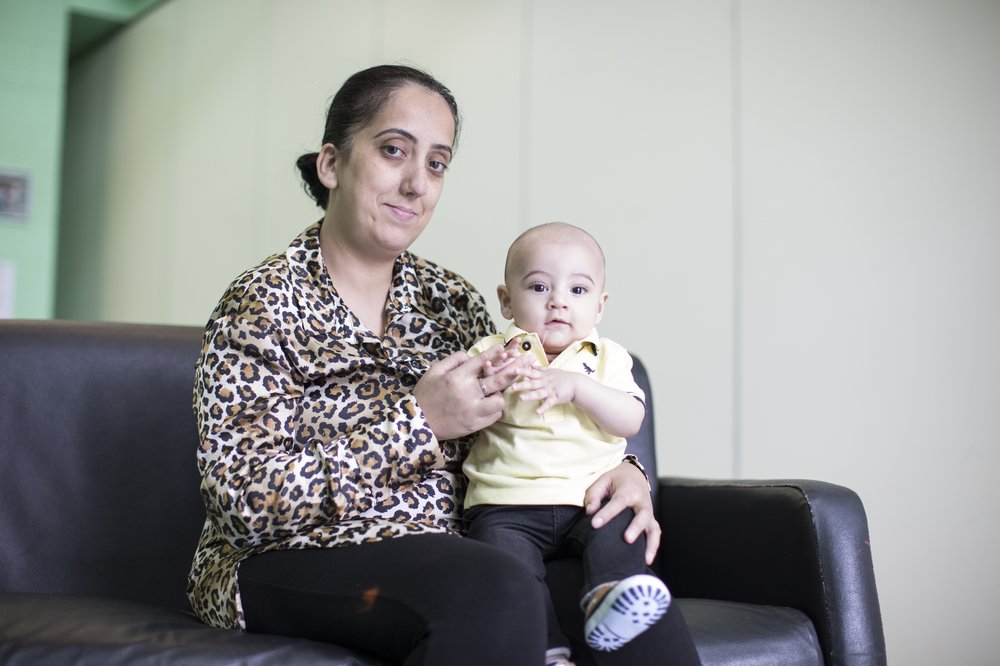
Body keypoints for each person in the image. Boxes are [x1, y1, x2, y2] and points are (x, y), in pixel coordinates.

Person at [187, 64, 700, 666]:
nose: (416, 183)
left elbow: (523, 426)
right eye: (393, 151)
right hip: (292, 556)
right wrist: (418, 424)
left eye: (436, 163)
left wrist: (628, 470)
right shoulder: (262, 300)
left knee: (629, 608)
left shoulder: (450, 300)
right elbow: (242, 503)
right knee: (492, 587)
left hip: (461, 547)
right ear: (331, 164)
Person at [463, 223, 672, 666]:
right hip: (506, 504)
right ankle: (545, 650)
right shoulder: (494, 350)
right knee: (509, 572)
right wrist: (493, 379)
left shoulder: (608, 358)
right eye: (539, 286)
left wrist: (577, 388)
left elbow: (631, 417)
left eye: (578, 290)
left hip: (590, 499)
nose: (558, 300)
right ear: (506, 300)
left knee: (621, 532)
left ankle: (610, 597)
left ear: (600, 305)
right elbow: (463, 413)